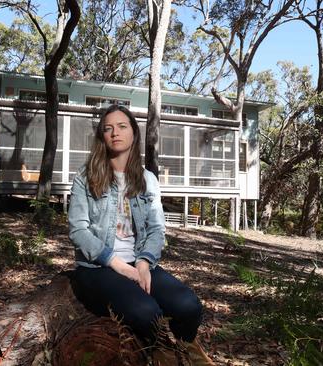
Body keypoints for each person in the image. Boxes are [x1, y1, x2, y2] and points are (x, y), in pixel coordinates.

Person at [68, 104, 215, 365]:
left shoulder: (148, 180)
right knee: (147, 314)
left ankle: (185, 350)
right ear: (102, 136)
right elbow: (78, 230)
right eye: (108, 128)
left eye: (122, 126)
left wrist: (144, 263)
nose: (115, 133)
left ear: (134, 133)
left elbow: (157, 229)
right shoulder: (85, 176)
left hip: (138, 262)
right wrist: (119, 266)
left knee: (189, 306)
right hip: (97, 267)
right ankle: (159, 351)